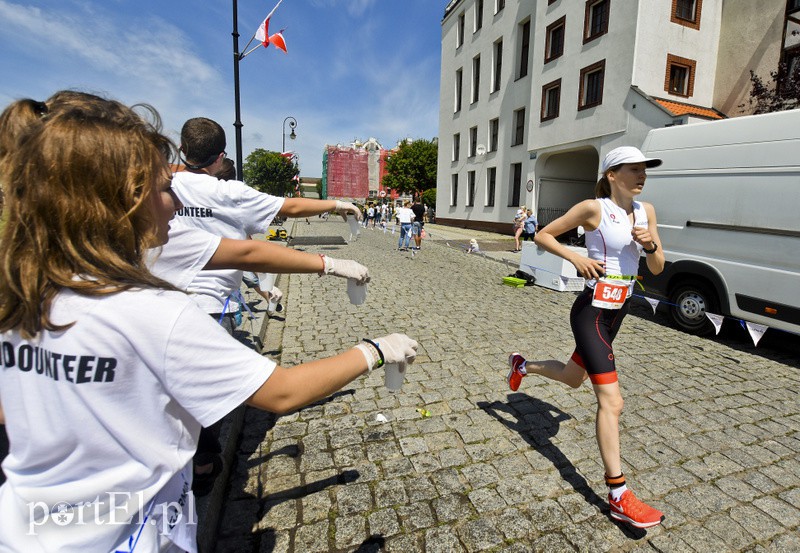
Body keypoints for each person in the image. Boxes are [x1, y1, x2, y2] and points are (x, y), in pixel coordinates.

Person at [0, 93, 418, 552]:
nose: (176, 204)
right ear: (122, 203)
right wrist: (375, 349)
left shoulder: (19, 295)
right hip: (126, 536)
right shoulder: (155, 312)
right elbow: (282, 391)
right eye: (164, 189)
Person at [506, 146, 666, 529]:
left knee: (571, 378)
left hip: (618, 312)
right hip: (591, 312)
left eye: (645, 170)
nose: (642, 175)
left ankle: (522, 365)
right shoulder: (594, 208)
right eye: (634, 169)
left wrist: (650, 245)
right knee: (612, 402)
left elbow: (658, 268)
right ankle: (618, 495)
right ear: (612, 174)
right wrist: (574, 257)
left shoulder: (647, 212)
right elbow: (544, 235)